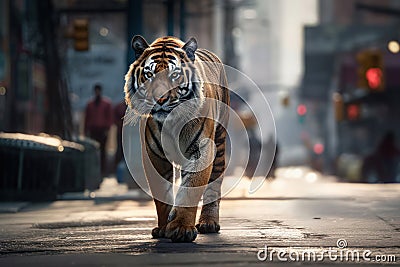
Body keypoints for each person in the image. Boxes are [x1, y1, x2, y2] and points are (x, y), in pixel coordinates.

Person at [84, 84, 113, 175]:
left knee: (103, 150)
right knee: (93, 150)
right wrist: (86, 130)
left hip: (102, 130)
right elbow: (87, 118)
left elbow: (109, 117)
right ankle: (94, 169)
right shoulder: (90, 104)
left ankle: (103, 170)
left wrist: (107, 129)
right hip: (93, 129)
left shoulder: (106, 103)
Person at [113, 100, 127, 172]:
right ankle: (117, 169)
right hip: (120, 131)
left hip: (130, 133)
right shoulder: (119, 107)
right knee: (119, 149)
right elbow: (114, 118)